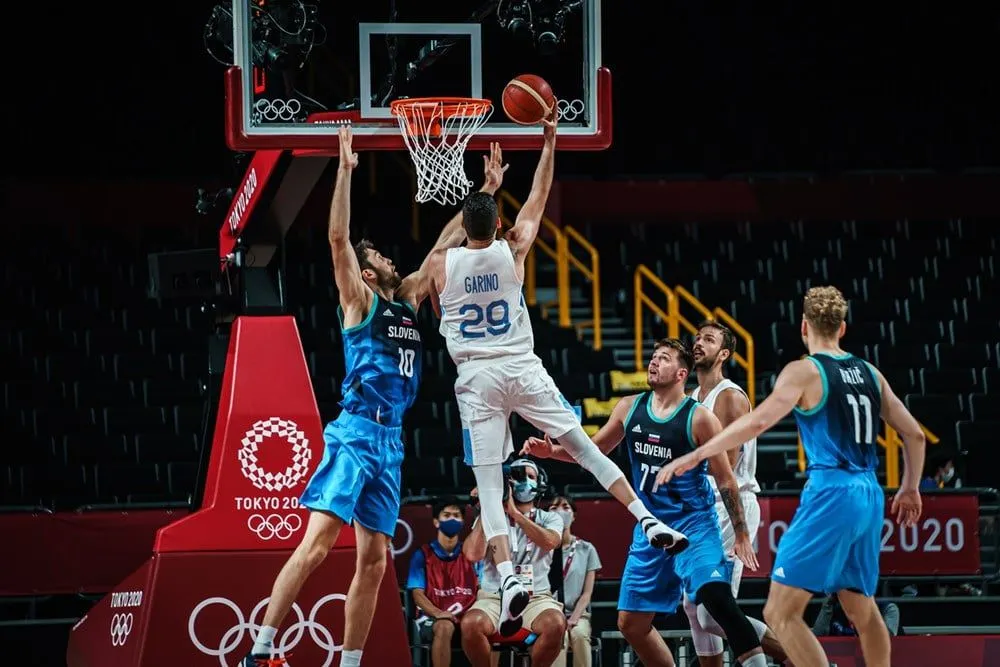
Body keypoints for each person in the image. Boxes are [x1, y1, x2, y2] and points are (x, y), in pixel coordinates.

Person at [242, 128, 508, 667]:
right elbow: (338, 240)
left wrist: (486, 191)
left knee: (374, 563)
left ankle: (350, 661)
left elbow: (442, 245)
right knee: (317, 547)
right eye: (381, 256)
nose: (390, 258)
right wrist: (344, 171)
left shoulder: (408, 297)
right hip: (357, 430)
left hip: (391, 441)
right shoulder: (359, 301)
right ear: (368, 271)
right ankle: (261, 650)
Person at [425, 106, 683, 638]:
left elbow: (436, 280)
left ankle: (507, 579)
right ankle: (647, 518)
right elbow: (539, 198)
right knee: (585, 450)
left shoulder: (438, 265)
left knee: (489, 483)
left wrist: (479, 196)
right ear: (498, 224)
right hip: (521, 365)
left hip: (475, 376)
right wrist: (548, 142)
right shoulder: (512, 247)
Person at [656, 286, 926, 667]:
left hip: (831, 491)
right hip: (870, 491)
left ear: (803, 326)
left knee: (780, 611)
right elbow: (913, 435)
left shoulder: (805, 370)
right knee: (860, 607)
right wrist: (911, 487)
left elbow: (760, 420)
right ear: (843, 328)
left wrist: (699, 453)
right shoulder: (869, 372)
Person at [523, 339, 769, 667]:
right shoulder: (629, 407)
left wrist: (740, 533)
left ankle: (779, 656)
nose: (653, 363)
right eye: (653, 358)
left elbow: (726, 478)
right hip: (650, 526)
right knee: (631, 624)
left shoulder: (700, 419)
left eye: (663, 359)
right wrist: (552, 452)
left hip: (694, 523)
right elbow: (593, 451)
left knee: (715, 602)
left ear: (681, 373)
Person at [685, 321, 787, 666]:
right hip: (703, 506)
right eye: (697, 338)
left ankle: (801, 659)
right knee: (692, 606)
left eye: (709, 340)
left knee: (712, 612)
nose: (699, 343)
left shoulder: (729, 396)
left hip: (729, 504)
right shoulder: (691, 398)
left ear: (724, 354)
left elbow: (725, 466)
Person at [461, 460, 567, 667]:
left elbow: (551, 542)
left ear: (540, 484)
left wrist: (515, 514)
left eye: (531, 476)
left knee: (555, 623)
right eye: (519, 476)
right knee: (470, 624)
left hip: (536, 597)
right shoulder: (490, 518)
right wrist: (489, 506)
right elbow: (472, 555)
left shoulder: (550, 517)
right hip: (494, 597)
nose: (525, 481)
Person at [408, 497, 481, 667]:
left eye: (456, 515)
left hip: (467, 614)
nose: (452, 519)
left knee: (484, 625)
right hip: (433, 616)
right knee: (444, 627)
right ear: (436, 522)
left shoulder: (471, 554)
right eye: (446, 515)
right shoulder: (422, 555)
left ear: (463, 521)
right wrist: (437, 613)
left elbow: (481, 589)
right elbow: (417, 594)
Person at [547, 494, 602, 667]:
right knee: (558, 635)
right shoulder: (540, 549)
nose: (560, 512)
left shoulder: (587, 549)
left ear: (574, 515)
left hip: (577, 615)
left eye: (565, 507)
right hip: (548, 614)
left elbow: (587, 594)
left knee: (578, 634)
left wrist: (573, 620)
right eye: (554, 508)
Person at [812, 594, 900, 638]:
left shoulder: (887, 609)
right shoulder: (834, 609)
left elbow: (887, 640)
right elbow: (818, 637)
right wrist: (827, 605)